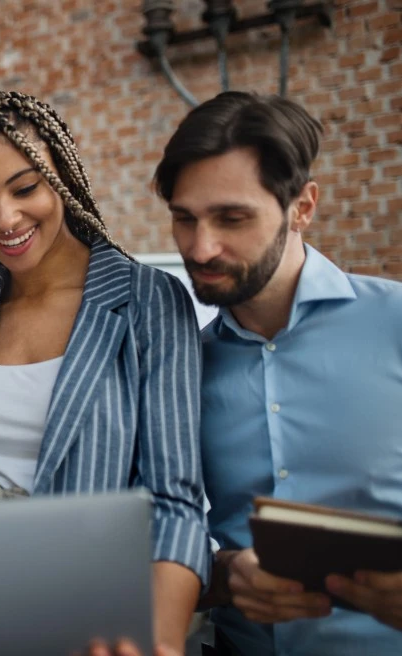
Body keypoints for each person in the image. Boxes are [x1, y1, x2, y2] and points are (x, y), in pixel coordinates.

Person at [0, 91, 210, 654]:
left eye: (25, 188)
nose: (6, 218)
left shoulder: (147, 302)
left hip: (95, 627)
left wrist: (160, 642)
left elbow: (173, 501)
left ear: (60, 178)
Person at [153, 91, 402, 655]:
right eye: (184, 219)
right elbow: (163, 540)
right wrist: (222, 576)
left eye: (231, 218)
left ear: (303, 207)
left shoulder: (395, 323)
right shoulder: (180, 368)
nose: (200, 247)